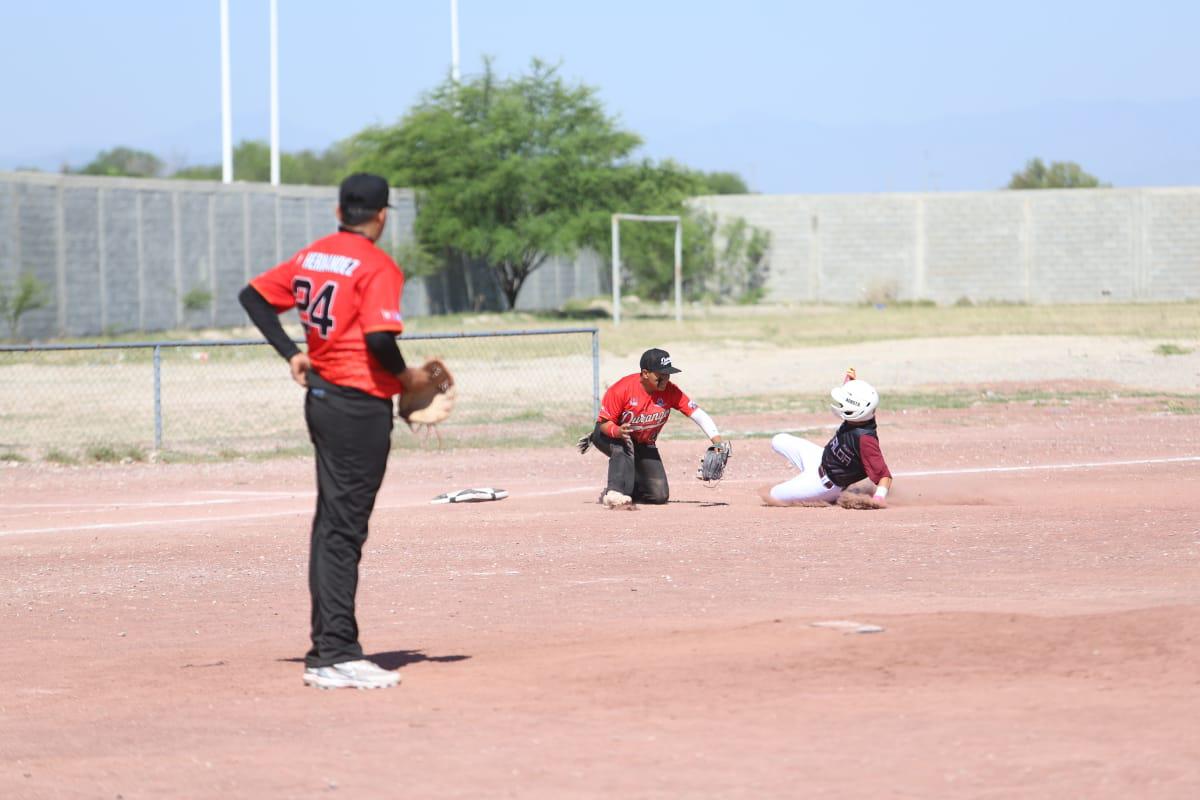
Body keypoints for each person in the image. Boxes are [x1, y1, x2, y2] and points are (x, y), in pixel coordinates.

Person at [237, 173, 435, 690]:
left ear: (339, 211)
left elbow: (252, 297)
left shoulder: (313, 256)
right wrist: (408, 378)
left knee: (332, 525)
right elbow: (379, 340)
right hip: (357, 405)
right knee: (344, 530)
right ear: (382, 216)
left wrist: (292, 353)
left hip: (323, 399)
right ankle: (335, 654)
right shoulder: (377, 265)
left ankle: (328, 648)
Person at [582, 348, 725, 508]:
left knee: (659, 495)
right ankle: (614, 493)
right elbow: (604, 423)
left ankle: (629, 490)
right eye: (661, 375)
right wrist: (617, 431)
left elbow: (697, 414)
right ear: (645, 373)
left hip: (642, 441)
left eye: (668, 374)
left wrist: (718, 443)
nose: (666, 379)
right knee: (622, 448)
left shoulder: (670, 391)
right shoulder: (622, 389)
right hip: (609, 434)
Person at [762, 369, 893, 508]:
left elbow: (884, 476)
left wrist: (878, 497)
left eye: (845, 405)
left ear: (855, 411)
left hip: (823, 484)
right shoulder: (860, 418)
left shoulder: (866, 441)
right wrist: (851, 385)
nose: (841, 405)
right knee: (778, 440)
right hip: (820, 459)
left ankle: (820, 494)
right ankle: (800, 484)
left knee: (773, 495)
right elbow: (861, 402)